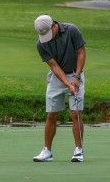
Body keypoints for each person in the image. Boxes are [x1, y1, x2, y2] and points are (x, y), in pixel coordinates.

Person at [32, 14, 86, 163]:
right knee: (51, 114)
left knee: (75, 113)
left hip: (76, 73)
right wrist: (67, 84)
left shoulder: (71, 30)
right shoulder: (40, 44)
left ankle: (78, 150)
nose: (46, 37)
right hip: (57, 78)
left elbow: (81, 52)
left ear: (54, 25)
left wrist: (76, 77)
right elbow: (54, 66)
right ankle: (47, 151)